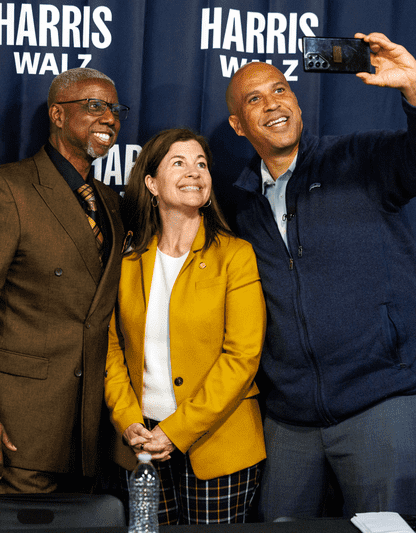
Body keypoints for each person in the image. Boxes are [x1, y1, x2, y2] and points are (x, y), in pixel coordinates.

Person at [224, 32, 416, 519]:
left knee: (386, 531)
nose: (273, 103)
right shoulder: (240, 203)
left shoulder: (356, 159)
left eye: (280, 90)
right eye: (255, 99)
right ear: (237, 125)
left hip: (384, 401)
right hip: (291, 419)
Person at [0, 68, 127, 494]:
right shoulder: (5, 189)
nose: (110, 119)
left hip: (90, 433)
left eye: (116, 110)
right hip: (14, 430)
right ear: (57, 115)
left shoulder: (113, 204)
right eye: (95, 106)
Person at [104, 128, 266, 524]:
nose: (194, 172)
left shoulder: (236, 256)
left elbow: (241, 357)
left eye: (201, 164)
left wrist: (175, 431)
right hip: (141, 443)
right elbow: (110, 349)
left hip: (219, 444)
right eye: (178, 163)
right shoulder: (126, 259)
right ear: (151, 184)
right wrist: (128, 421)